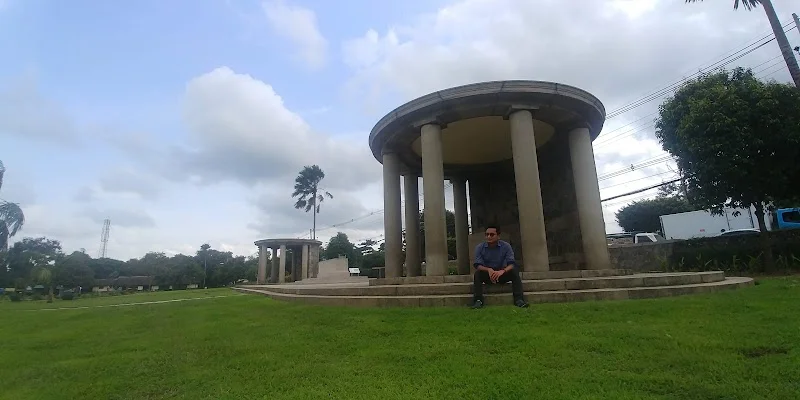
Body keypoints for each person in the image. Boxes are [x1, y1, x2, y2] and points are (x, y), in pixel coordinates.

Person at [469, 225, 529, 309]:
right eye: (487, 234)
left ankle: (519, 300)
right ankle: (478, 301)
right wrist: (489, 270)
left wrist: (503, 271)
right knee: (478, 274)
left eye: (492, 234)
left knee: (514, 271)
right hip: (488, 275)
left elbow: (512, 264)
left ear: (498, 236)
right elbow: (477, 265)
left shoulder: (506, 246)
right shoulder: (480, 247)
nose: (489, 237)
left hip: (502, 274)